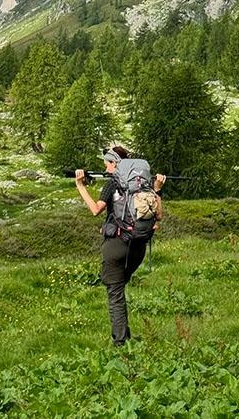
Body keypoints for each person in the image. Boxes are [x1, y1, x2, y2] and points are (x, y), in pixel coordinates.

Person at [75, 145, 165, 346]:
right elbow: (158, 216)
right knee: (119, 289)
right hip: (139, 246)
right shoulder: (143, 184)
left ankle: (120, 344)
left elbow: (96, 210)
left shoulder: (113, 184)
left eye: (107, 164)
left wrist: (81, 186)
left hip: (116, 245)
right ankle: (125, 334)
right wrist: (158, 190)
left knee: (115, 294)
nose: (106, 169)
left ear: (115, 163)